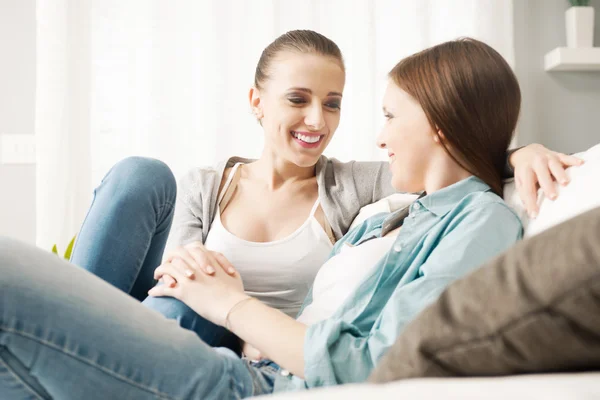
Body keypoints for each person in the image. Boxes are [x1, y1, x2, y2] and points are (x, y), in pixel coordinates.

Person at [2, 37, 552, 399]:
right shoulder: (393, 214)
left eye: (382, 114)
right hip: (230, 348)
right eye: (298, 99)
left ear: (436, 123)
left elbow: (372, 359)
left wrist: (515, 154)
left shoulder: (422, 204)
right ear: (257, 102)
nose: (371, 133)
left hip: (243, 367)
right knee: (140, 182)